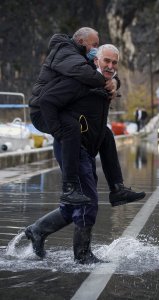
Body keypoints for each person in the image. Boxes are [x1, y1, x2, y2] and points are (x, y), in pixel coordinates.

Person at [25, 44, 135, 264]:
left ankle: (38, 230)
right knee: (87, 200)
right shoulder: (79, 80)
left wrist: (115, 82)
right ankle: (82, 255)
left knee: (74, 204)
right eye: (107, 61)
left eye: (114, 63)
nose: (111, 66)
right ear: (96, 60)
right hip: (72, 147)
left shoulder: (104, 82)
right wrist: (59, 132)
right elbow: (47, 101)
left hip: (86, 146)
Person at [29, 27, 145, 207]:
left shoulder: (81, 59)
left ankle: (117, 189)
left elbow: (101, 72)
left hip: (59, 105)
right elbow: (87, 73)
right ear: (81, 42)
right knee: (71, 128)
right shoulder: (67, 54)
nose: (95, 50)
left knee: (106, 134)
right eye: (94, 45)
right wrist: (58, 132)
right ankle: (69, 188)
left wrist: (114, 81)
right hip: (43, 108)